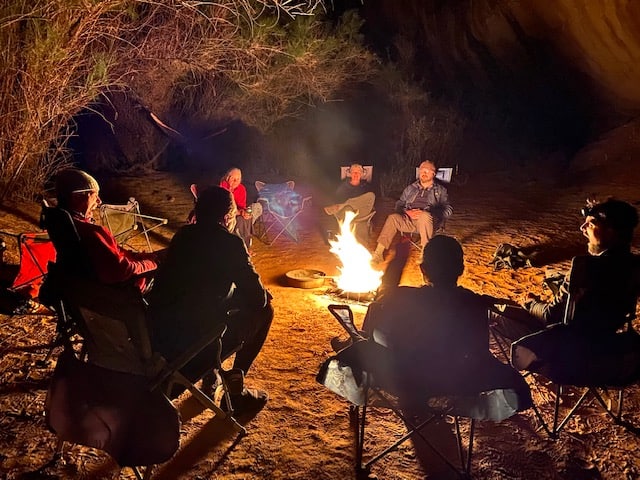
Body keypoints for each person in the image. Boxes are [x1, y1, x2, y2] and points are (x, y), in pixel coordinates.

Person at [147, 185, 273, 415]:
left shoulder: (183, 235)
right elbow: (257, 299)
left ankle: (213, 378)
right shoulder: (231, 243)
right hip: (197, 341)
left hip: (163, 332)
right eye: (234, 215)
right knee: (265, 312)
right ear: (227, 217)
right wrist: (258, 295)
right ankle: (235, 393)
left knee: (213, 303)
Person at [492, 198, 640, 341]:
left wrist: (531, 303)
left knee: (496, 315)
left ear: (611, 231)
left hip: (573, 341)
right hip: (608, 336)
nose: (582, 228)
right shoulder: (634, 264)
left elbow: (550, 316)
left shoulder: (585, 267)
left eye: (591, 224)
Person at [53, 168, 160, 294]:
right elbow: (120, 270)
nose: (99, 201)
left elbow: (110, 253)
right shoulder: (91, 232)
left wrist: (135, 256)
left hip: (80, 290)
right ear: (76, 196)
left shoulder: (63, 225)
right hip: (114, 296)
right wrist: (151, 263)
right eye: (94, 195)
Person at [371, 160, 452, 264]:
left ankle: (425, 254)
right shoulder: (411, 188)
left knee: (424, 216)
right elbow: (399, 204)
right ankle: (378, 253)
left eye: (427, 171)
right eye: (422, 170)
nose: (424, 173)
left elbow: (448, 210)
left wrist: (429, 212)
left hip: (428, 222)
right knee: (393, 218)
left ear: (433, 173)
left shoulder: (441, 190)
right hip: (409, 220)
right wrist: (406, 211)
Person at [323, 163, 375, 244]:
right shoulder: (343, 187)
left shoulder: (366, 187)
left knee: (371, 195)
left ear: (361, 174)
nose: (356, 174)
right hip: (347, 214)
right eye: (354, 172)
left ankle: (347, 203)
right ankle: (346, 204)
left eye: (358, 172)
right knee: (348, 208)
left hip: (361, 212)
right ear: (350, 174)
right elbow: (337, 200)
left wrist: (351, 203)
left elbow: (370, 200)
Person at [219, 167, 262, 252]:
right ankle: (244, 248)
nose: (236, 181)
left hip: (237, 214)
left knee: (255, 209)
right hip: (224, 215)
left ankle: (245, 247)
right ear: (227, 178)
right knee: (241, 220)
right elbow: (222, 208)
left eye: (238, 179)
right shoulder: (221, 187)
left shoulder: (241, 189)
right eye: (233, 179)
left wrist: (244, 212)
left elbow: (242, 206)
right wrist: (239, 212)